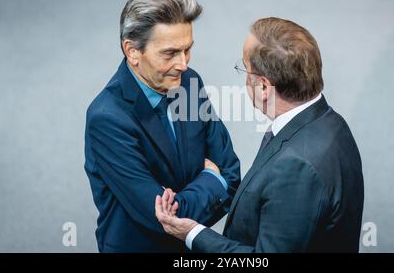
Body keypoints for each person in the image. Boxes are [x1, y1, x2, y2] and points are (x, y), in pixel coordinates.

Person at [155, 17, 364, 252]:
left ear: (264, 87)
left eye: (245, 68)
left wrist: (193, 233)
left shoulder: (296, 168)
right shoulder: (332, 123)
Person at [84, 0, 241, 252]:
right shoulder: (107, 118)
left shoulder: (189, 83)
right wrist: (211, 180)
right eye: (170, 53)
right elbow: (161, 220)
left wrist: (207, 187)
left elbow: (231, 173)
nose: (183, 63)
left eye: (187, 49)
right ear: (132, 51)